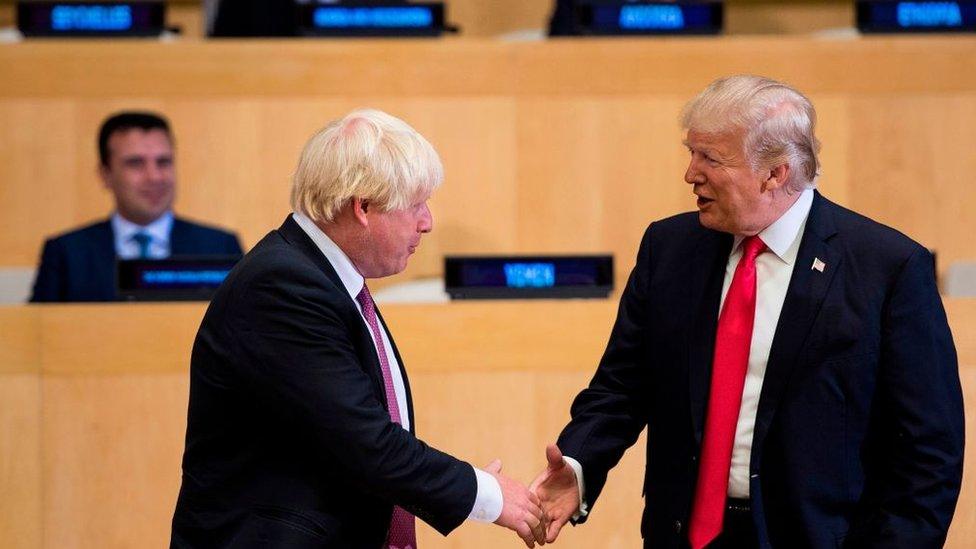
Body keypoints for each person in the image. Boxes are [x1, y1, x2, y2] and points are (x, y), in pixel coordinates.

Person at [531, 75, 964, 548]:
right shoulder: (669, 248)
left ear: (776, 172)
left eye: (710, 158)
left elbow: (928, 452)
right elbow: (621, 386)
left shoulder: (887, 269)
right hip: (683, 535)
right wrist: (578, 464)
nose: (690, 173)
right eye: (691, 152)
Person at [171, 109, 547, 548]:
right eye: (416, 205)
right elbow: (366, 442)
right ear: (363, 207)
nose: (428, 222)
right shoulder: (281, 286)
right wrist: (485, 494)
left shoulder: (323, 279)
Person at [30, 111, 243, 302]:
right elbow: (36, 332)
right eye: (136, 163)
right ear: (105, 174)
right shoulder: (67, 253)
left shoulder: (220, 247)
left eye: (163, 162)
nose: (154, 176)